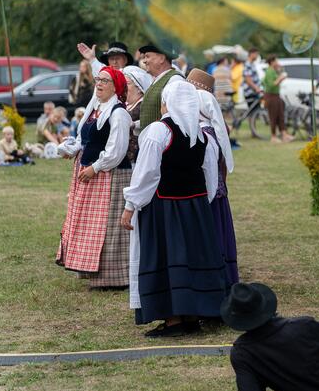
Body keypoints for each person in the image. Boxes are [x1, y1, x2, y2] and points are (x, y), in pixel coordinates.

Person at [121, 80, 228, 337]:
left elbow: (146, 174)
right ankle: (191, 315)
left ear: (168, 102)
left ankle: (173, 320)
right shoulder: (202, 135)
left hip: (164, 208)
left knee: (168, 257)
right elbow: (211, 177)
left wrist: (130, 206)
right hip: (195, 208)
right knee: (192, 257)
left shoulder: (159, 131)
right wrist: (201, 203)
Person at [56, 67, 132, 288]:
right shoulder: (96, 109)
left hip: (110, 176)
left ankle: (113, 277)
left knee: (106, 226)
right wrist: (73, 150)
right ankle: (87, 269)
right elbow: (85, 138)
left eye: (105, 81)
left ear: (115, 86)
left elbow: (116, 151)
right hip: (89, 173)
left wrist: (96, 167)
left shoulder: (118, 113)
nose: (99, 83)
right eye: (98, 79)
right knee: (88, 223)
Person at [186, 68, 238, 287]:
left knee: (212, 239)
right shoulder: (211, 129)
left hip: (209, 197)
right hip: (215, 195)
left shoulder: (205, 132)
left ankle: (215, 282)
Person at [138, 43, 186, 129]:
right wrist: (135, 125)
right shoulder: (157, 80)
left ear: (162, 58)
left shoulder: (175, 81)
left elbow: (176, 118)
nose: (144, 61)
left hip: (164, 140)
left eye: (147, 56)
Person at [122, 65, 153, 164]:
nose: (124, 87)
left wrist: (134, 124)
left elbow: (150, 122)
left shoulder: (144, 104)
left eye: (127, 84)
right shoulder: (125, 104)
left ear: (139, 87)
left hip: (138, 156)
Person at [262, 55, 294, 143]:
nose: (278, 62)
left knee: (280, 116)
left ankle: (284, 134)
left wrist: (279, 72)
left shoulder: (273, 71)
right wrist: (281, 78)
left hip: (276, 96)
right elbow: (272, 85)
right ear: (272, 62)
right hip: (271, 96)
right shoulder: (269, 71)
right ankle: (273, 136)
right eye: (276, 61)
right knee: (273, 117)